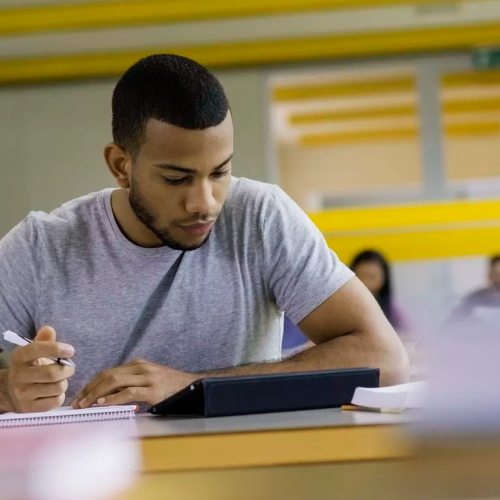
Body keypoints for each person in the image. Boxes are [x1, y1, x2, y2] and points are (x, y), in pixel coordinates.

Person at [0, 55, 408, 414]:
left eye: (220, 172)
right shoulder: (41, 248)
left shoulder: (260, 217)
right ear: (121, 165)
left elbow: (385, 360)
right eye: (177, 179)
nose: (205, 202)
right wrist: (8, 392)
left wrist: (192, 386)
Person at [350, 250, 410, 334]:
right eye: (361, 276)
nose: (366, 283)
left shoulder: (392, 308)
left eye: (372, 277)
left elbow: (407, 332)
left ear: (384, 278)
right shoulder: (346, 306)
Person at [453, 255, 500, 320]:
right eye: (496, 274)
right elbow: (452, 322)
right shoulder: (475, 298)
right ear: (489, 275)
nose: (498, 279)